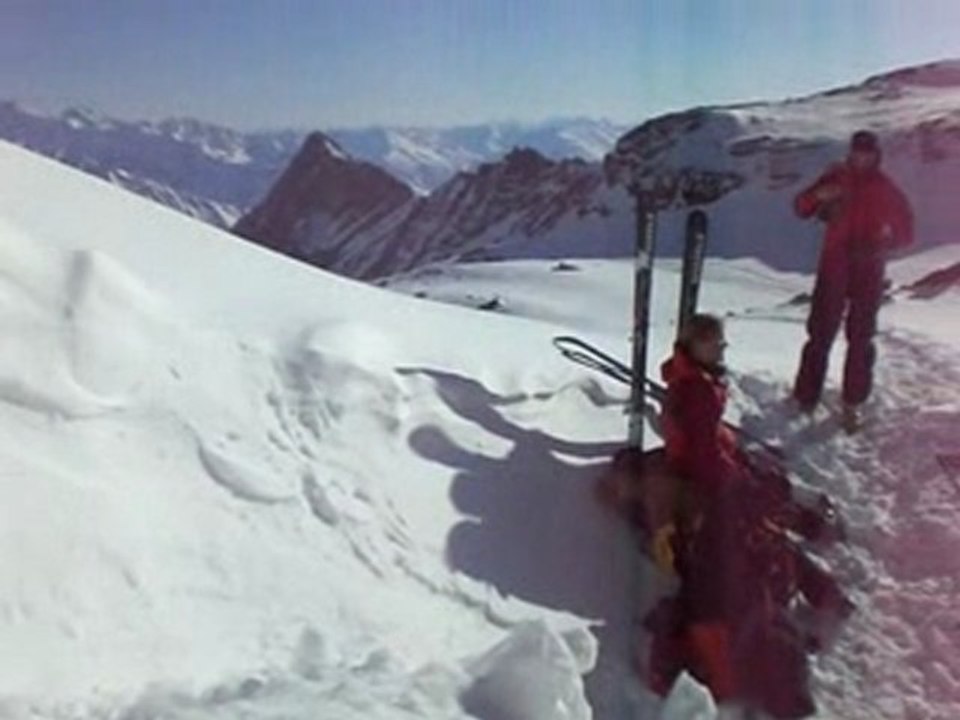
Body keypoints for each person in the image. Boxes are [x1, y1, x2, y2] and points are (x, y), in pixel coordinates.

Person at [601, 314, 851, 718]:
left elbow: (704, 444)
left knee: (768, 513)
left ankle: (820, 567)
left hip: (702, 486)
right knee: (768, 521)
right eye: (711, 344)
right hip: (705, 492)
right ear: (692, 346)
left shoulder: (693, 381)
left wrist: (737, 461)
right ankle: (823, 572)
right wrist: (743, 479)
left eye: (720, 344)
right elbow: (703, 457)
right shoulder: (695, 391)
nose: (718, 350)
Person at [791, 130, 914, 432]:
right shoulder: (835, 177)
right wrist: (819, 197)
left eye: (867, 153)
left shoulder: (884, 188)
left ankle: (852, 404)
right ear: (851, 152)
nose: (861, 157)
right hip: (834, 265)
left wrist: (883, 243)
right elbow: (800, 207)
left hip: (868, 271)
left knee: (861, 338)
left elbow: (906, 231)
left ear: (876, 155)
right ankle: (806, 397)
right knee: (820, 334)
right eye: (857, 152)